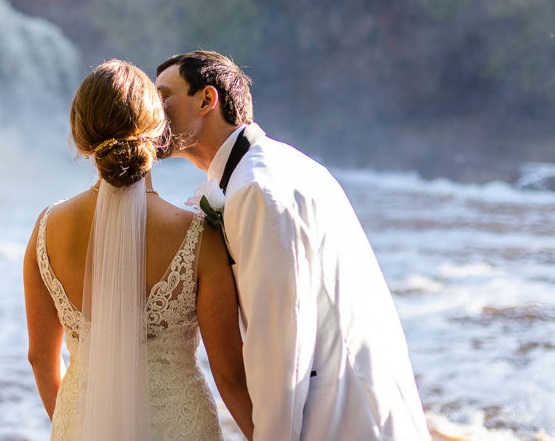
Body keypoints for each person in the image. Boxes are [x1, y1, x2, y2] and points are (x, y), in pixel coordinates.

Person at [156, 50, 430, 441]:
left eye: (164, 95)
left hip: (339, 420)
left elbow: (280, 343)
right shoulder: (281, 166)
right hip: (362, 405)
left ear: (206, 100)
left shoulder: (256, 190)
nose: (154, 108)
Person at [23, 59, 254, 440]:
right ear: (158, 130)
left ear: (81, 136)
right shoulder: (197, 235)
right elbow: (228, 373)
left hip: (80, 425)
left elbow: (39, 358)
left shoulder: (47, 229)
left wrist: (71, 424)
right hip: (178, 426)